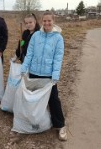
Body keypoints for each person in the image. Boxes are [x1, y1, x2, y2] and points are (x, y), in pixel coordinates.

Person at [21, 11, 67, 141]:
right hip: (34, 72)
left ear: (53, 21)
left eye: (49, 21)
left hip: (48, 75)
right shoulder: (36, 35)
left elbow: (58, 58)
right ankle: (32, 122)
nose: (47, 23)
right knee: (33, 98)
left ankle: (60, 125)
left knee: (53, 100)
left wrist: (55, 75)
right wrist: (24, 68)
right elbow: (29, 53)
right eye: (45, 21)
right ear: (41, 21)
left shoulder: (58, 38)